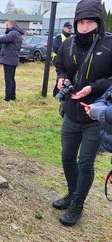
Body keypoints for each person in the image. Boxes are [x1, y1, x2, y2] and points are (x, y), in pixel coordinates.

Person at [53, 0, 112, 226]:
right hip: (71, 113)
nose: (85, 27)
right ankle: (71, 193)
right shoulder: (68, 44)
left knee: (85, 162)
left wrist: (93, 87)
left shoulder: (109, 44)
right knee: (67, 158)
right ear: (76, 23)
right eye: (81, 22)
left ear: (98, 22)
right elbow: (60, 65)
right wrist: (61, 79)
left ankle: (78, 203)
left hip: (95, 116)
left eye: (90, 22)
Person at [52, 22, 73, 96]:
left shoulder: (72, 38)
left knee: (66, 77)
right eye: (68, 28)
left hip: (68, 61)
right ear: (64, 28)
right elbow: (55, 49)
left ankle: (64, 92)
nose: (70, 30)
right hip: (58, 60)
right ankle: (56, 93)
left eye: (71, 28)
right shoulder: (58, 38)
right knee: (60, 76)